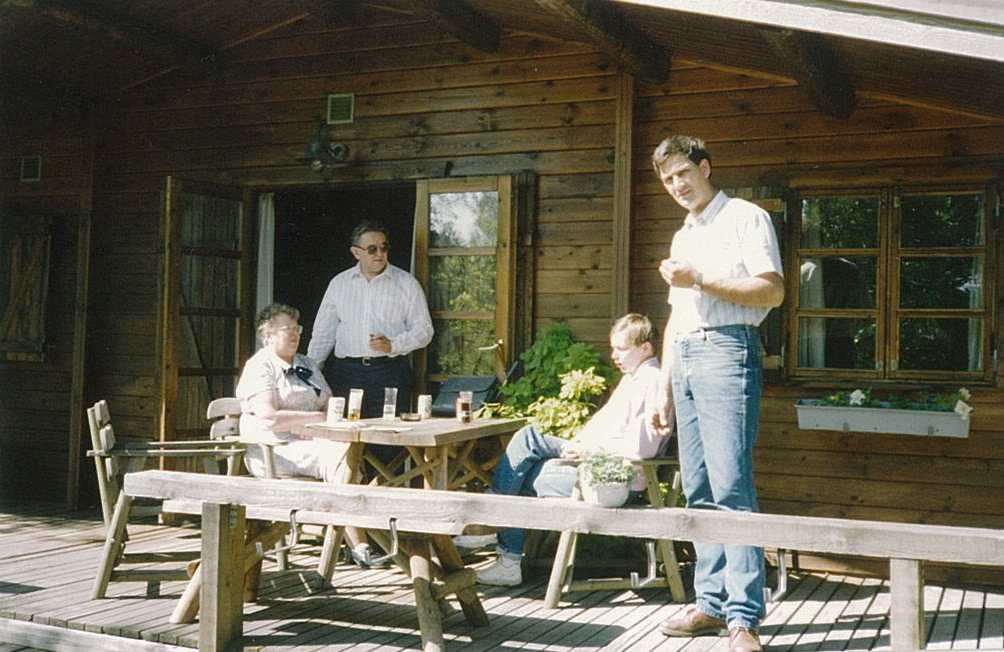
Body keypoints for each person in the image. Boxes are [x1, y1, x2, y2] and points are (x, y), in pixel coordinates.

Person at [649, 135, 784, 652]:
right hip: (685, 354)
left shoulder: (746, 217)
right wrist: (662, 388)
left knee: (732, 488)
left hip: (728, 349)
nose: (677, 185)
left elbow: (772, 291)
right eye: (668, 179)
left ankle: (744, 617)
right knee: (699, 487)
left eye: (684, 172)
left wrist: (701, 279)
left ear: (705, 168)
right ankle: (710, 603)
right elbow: (675, 316)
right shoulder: (683, 234)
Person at [472, 313, 671, 587]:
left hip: (614, 479)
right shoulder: (634, 378)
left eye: (621, 349)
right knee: (529, 437)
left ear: (645, 348)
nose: (614, 355)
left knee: (525, 478)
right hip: (590, 461)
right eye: (613, 348)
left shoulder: (652, 382)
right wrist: (579, 445)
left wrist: (588, 450)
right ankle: (493, 521)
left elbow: (641, 449)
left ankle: (495, 531)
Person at [236, 302, 382, 567]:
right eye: (287, 329)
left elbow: (331, 404)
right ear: (267, 335)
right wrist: (313, 423)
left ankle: (355, 543)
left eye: (297, 329)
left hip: (314, 444)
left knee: (351, 455)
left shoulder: (307, 364)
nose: (295, 335)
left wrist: (316, 427)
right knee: (345, 458)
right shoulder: (261, 366)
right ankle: (360, 544)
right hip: (275, 451)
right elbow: (269, 417)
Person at [307, 220, 434, 423]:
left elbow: (424, 330)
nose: (380, 254)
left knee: (389, 434)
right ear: (356, 252)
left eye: (384, 247)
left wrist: (393, 345)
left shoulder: (406, 283)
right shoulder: (339, 283)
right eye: (372, 249)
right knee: (345, 433)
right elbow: (324, 333)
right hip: (347, 373)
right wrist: (310, 373)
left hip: (389, 371)